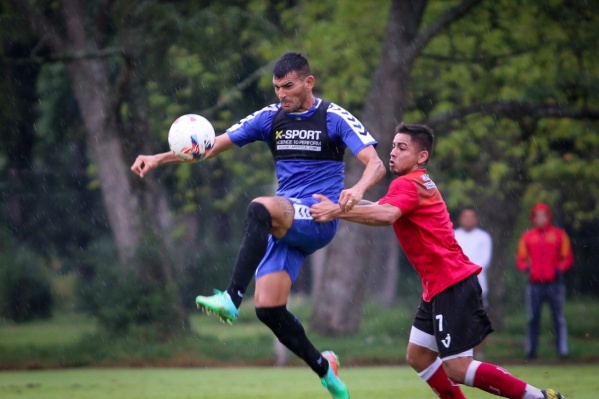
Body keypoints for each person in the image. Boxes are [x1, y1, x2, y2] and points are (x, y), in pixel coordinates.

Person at [131, 52, 385, 399]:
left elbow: (376, 163)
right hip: (285, 222)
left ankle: (232, 298)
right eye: (277, 86)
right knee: (268, 309)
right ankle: (326, 370)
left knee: (258, 207)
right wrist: (159, 157)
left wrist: (356, 190)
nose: (282, 93)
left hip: (317, 216)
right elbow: (210, 146)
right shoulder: (270, 117)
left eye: (289, 86)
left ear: (308, 83)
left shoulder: (333, 117)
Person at [310, 122, 564, 399]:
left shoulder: (407, 184)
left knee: (457, 368)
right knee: (419, 355)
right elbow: (382, 208)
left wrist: (335, 211)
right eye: (393, 146)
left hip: (451, 283)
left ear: (422, 156)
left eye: (402, 147)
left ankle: (539, 397)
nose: (393, 152)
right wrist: (341, 205)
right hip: (439, 286)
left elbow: (386, 216)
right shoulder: (414, 183)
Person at [516, 203, 574, 360]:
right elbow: (521, 259)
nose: (540, 219)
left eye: (544, 215)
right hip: (534, 284)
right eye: (537, 216)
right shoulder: (527, 236)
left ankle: (562, 351)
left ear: (549, 217)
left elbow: (567, 257)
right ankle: (531, 351)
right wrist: (529, 269)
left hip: (554, 283)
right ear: (533, 218)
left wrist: (558, 269)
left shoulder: (559, 235)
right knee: (532, 318)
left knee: (559, 318)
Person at [454, 207, 492, 360]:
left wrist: (467, 272)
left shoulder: (483, 237)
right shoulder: (454, 235)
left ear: (476, 219)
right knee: (458, 320)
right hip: (457, 285)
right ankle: (459, 353)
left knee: (477, 320)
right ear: (460, 219)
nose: (468, 220)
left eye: (471, 217)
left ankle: (479, 353)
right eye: (465, 217)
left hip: (478, 285)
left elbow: (485, 260)